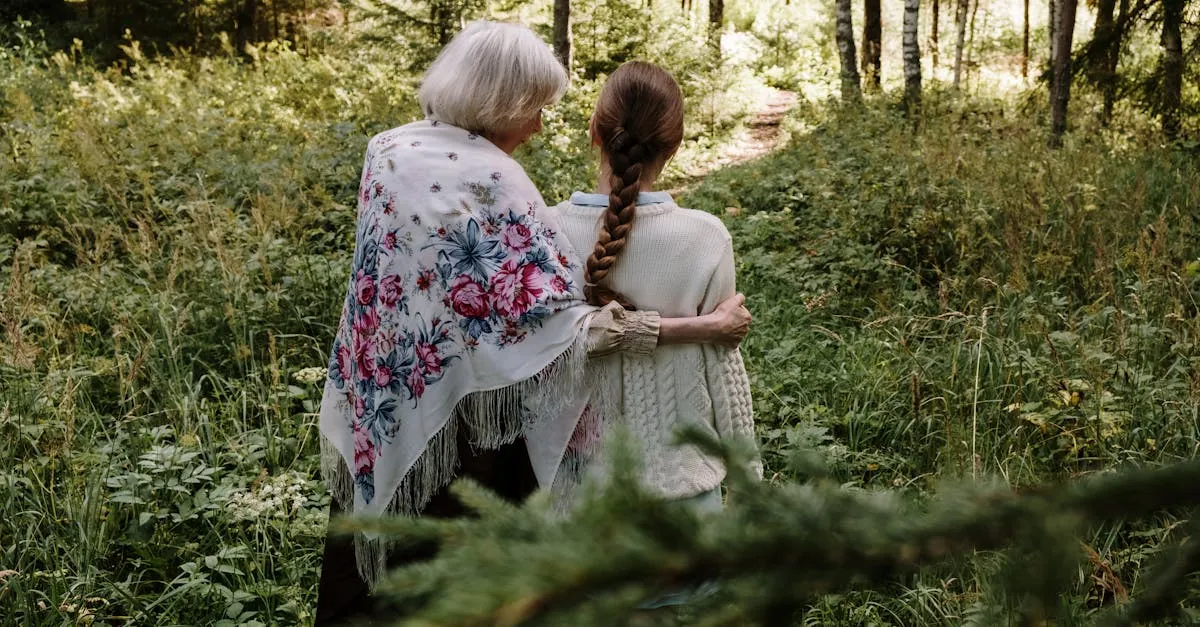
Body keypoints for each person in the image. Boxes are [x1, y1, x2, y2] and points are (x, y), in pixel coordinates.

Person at [314, 23, 751, 625]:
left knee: (390, 579)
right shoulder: (500, 183)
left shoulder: (389, 150)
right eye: (536, 109)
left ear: (600, 133)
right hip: (468, 423)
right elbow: (562, 329)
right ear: (499, 105)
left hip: (387, 396)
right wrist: (696, 329)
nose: (541, 125)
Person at [545, 61, 760, 522]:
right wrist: (748, 477)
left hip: (570, 489)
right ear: (676, 145)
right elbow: (722, 361)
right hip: (682, 489)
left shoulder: (543, 229)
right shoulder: (704, 236)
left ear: (594, 131)